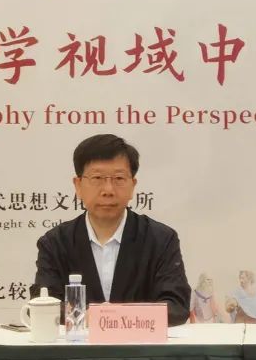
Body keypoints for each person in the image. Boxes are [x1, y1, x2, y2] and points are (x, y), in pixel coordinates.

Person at [32, 134, 191, 326]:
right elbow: (45, 303)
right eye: (97, 178)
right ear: (78, 185)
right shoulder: (55, 243)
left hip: (140, 345)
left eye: (119, 178)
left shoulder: (160, 239)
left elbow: (176, 307)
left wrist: (112, 318)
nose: (108, 190)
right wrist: (85, 317)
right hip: (78, 345)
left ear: (133, 185)